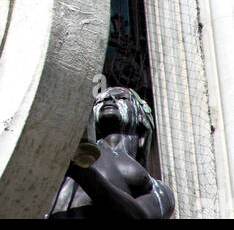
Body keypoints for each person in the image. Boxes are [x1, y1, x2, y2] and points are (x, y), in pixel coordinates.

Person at [50, 86, 175, 219]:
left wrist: (82, 172)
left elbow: (141, 216)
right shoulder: (68, 149)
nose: (109, 99)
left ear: (141, 117)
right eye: (100, 100)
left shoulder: (159, 190)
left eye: (122, 98)